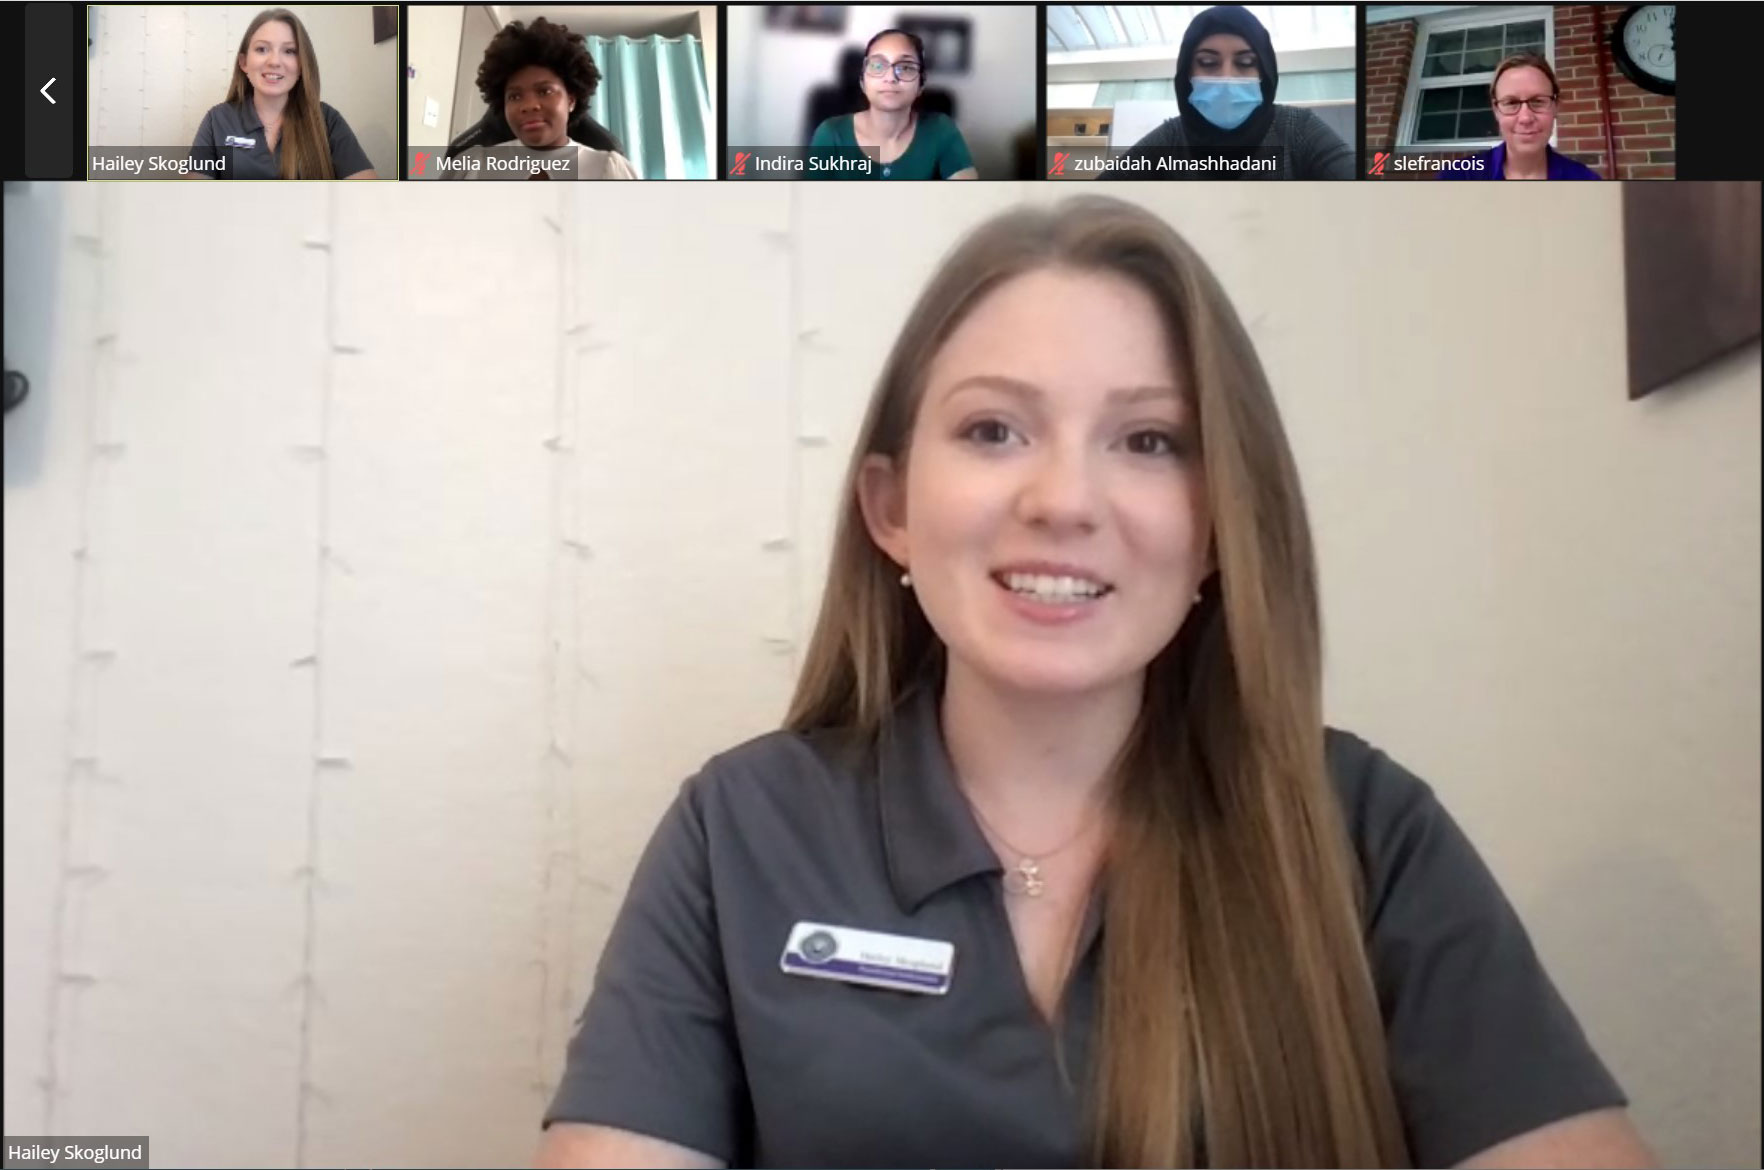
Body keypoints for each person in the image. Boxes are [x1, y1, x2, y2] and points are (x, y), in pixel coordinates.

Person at [532, 197, 1659, 1169]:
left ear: (1220, 528)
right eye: (994, 428)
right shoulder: (740, 832)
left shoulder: (1367, 832)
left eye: (1152, 441)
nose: (1066, 499)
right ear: (890, 510)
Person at [1097, 4, 1354, 181]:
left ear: (1264, 72)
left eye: (1245, 63)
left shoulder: (1298, 128)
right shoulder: (1171, 138)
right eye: (1208, 63)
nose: (1226, 77)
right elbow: (1097, 202)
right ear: (1187, 73)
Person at [188, 8, 376, 180]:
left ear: (302, 65)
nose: (275, 61)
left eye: (289, 51)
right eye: (262, 49)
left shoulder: (327, 120)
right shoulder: (217, 120)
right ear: (244, 62)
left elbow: (367, 199)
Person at [446, 17, 639, 180]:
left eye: (545, 91)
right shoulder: (472, 166)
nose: (528, 105)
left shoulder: (608, 169)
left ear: (571, 100)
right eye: (515, 96)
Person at [807, 29, 977, 180]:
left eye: (905, 67)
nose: (890, 77)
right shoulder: (831, 134)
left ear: (921, 85)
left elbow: (968, 200)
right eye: (878, 65)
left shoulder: (941, 130)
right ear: (862, 82)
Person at [1438, 53, 1602, 180]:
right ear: (1496, 110)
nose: (1525, 118)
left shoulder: (1587, 181)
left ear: (1555, 107)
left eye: (1538, 101)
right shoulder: (1459, 176)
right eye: (1511, 103)